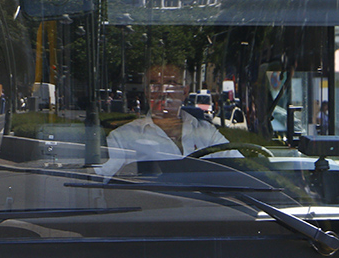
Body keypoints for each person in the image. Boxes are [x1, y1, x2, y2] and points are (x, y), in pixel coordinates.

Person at [98, 63, 238, 177]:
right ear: (147, 93)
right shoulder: (122, 138)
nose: (163, 92)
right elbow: (100, 183)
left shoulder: (207, 133)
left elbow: (240, 168)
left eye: (171, 84)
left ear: (184, 92)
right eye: (155, 85)